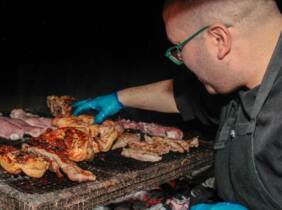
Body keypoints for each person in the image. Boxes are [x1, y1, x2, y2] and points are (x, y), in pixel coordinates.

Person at [72, 0, 282, 209]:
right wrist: (119, 98)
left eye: (179, 48)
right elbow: (187, 95)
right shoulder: (243, 79)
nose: (179, 58)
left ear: (219, 39)